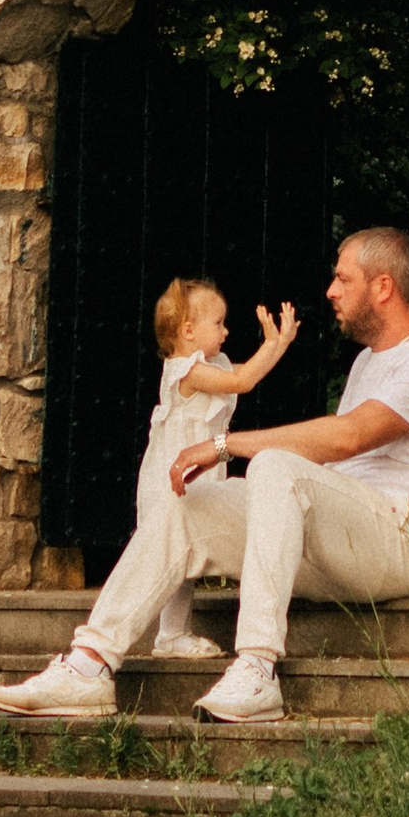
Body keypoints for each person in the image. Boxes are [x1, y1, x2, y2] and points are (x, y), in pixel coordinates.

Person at [0, 226, 409, 727]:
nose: (330, 290)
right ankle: (88, 665)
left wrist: (224, 445)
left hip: (407, 545)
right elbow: (332, 467)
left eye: (342, 278)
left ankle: (257, 667)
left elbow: (347, 438)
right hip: (347, 543)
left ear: (383, 286)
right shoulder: (365, 365)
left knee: (273, 464)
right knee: (191, 505)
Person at [131, 277, 300, 662]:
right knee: (172, 554)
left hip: (199, 472)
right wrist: (271, 343)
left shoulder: (211, 365)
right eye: (218, 323)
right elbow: (242, 381)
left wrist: (279, 344)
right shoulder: (184, 370)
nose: (226, 331)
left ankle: (173, 632)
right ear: (188, 331)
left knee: (186, 556)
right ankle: (169, 634)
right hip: (173, 474)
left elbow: (245, 375)